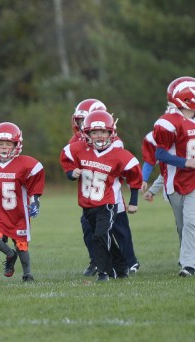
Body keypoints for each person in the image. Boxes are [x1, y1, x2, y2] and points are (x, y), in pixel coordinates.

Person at [60, 110, 142, 281]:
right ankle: (121, 266)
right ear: (87, 133)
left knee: (100, 236)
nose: (99, 136)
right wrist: (70, 173)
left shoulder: (118, 154)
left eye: (103, 132)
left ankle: (105, 272)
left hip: (106, 204)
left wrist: (133, 201)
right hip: (87, 204)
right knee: (102, 237)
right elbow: (65, 156)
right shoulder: (79, 149)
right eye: (95, 132)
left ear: (111, 133)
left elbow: (134, 174)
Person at [152, 78, 195, 276]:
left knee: (192, 221)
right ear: (187, 99)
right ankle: (189, 256)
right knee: (182, 225)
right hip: (174, 181)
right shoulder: (167, 123)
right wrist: (184, 162)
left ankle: (190, 264)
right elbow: (159, 154)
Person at [0, 122, 45, 282]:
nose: (4, 147)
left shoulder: (27, 164)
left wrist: (35, 202)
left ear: (16, 145)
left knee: (22, 246)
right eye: (1, 144)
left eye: (8, 144)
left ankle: (27, 274)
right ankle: (10, 255)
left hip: (19, 213)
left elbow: (35, 185)